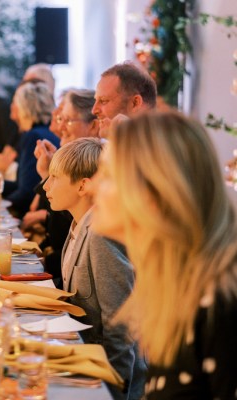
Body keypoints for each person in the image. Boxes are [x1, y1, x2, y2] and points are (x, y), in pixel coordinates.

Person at [92, 112, 237, 399]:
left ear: (153, 195)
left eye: (108, 175)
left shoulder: (217, 308)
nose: (94, 185)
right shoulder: (175, 291)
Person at [44, 138, 146, 399]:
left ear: (83, 185)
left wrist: (114, 390)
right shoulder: (79, 224)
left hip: (102, 375)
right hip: (81, 356)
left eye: (55, 177)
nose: (46, 185)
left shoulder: (101, 233)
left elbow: (120, 326)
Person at [3, 82, 59, 217]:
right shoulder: (46, 133)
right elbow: (23, 184)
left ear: (23, 109)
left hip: (33, 213)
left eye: (15, 104)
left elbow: (27, 192)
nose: (12, 111)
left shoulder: (34, 137)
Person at [92, 61, 156, 137]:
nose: (94, 110)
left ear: (135, 103)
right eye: (96, 100)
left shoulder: (164, 145)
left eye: (103, 101)